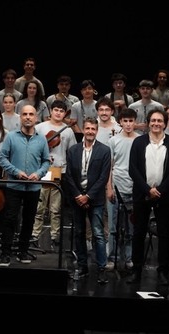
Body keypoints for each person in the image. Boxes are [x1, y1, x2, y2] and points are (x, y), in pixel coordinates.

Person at [127, 109, 169, 286]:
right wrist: (147, 190)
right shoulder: (138, 142)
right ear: (148, 122)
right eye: (153, 120)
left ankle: (163, 271)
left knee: (164, 234)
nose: (156, 123)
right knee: (138, 233)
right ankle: (136, 270)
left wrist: (160, 190)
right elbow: (133, 169)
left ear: (165, 123)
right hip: (142, 194)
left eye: (160, 121)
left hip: (164, 196)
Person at [0, 105, 50, 267]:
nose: (28, 117)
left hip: (33, 187)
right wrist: (16, 172)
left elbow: (46, 161)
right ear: (20, 117)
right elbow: (2, 158)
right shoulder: (11, 137)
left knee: (29, 220)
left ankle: (23, 251)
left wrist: (39, 174)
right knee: (10, 219)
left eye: (31, 114)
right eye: (25, 114)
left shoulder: (41, 139)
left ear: (36, 118)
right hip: (14, 186)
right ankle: (5, 253)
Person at [65, 117, 111, 283]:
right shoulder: (73, 150)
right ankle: (82, 267)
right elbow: (68, 175)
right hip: (76, 198)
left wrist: (88, 196)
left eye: (93, 129)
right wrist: (78, 195)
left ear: (97, 131)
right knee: (79, 233)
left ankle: (101, 269)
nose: (90, 131)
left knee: (98, 234)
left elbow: (103, 177)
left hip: (95, 199)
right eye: (88, 128)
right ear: (83, 130)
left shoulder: (104, 150)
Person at [32, 100, 76, 250]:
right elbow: (32, 148)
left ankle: (54, 236)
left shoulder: (68, 131)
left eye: (61, 111)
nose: (58, 113)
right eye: (56, 110)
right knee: (39, 206)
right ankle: (35, 235)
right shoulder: (39, 128)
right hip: (41, 171)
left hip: (59, 171)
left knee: (55, 208)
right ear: (50, 111)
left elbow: (72, 152)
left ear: (65, 114)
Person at [105, 108, 137, 272]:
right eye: (125, 121)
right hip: (116, 186)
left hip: (133, 189)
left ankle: (129, 258)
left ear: (135, 122)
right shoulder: (113, 141)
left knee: (130, 228)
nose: (128, 124)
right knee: (113, 228)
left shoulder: (140, 140)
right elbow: (109, 166)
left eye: (131, 121)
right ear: (120, 122)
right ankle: (111, 257)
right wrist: (109, 187)